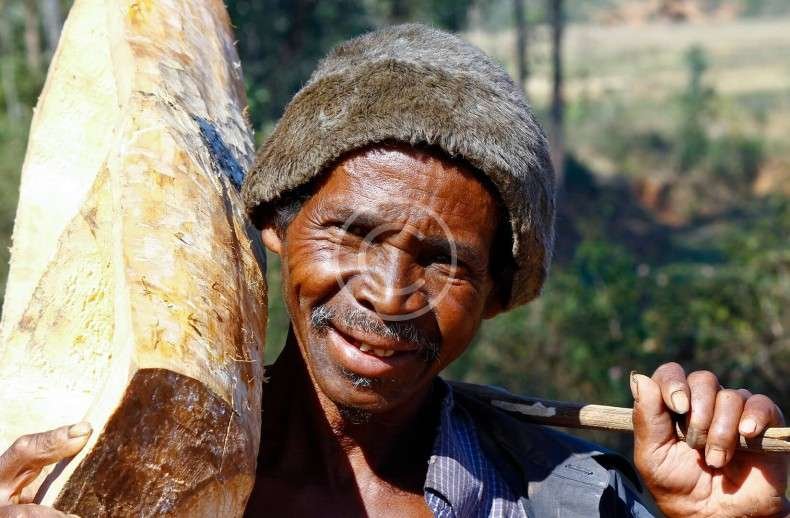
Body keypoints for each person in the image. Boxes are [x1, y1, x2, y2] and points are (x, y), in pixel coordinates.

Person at [0, 24, 786, 518]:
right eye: (350, 234)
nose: (387, 293)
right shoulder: (92, 475)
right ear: (278, 224)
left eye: (446, 262)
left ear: (496, 294)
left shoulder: (569, 500)